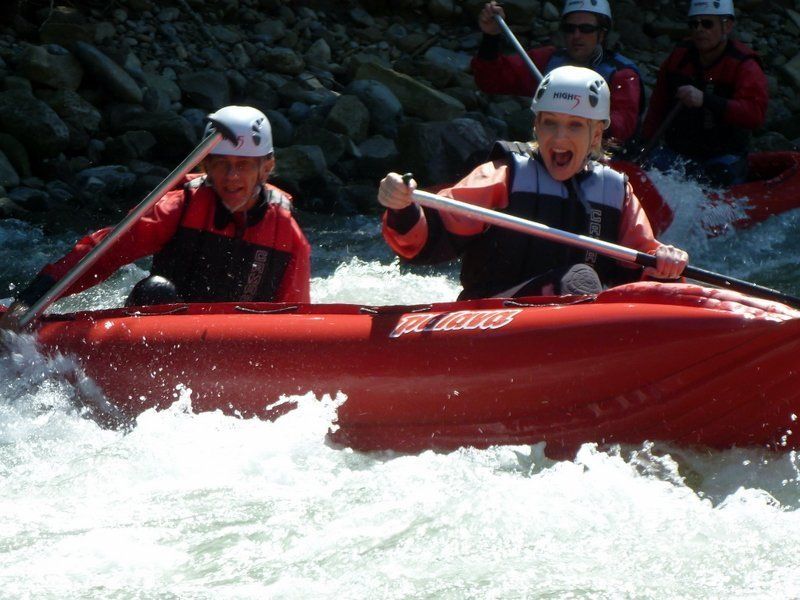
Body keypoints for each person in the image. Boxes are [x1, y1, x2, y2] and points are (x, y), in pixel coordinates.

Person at [377, 66, 688, 301]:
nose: (559, 137)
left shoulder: (616, 192)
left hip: (577, 318)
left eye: (574, 125)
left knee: (582, 282)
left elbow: (642, 267)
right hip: (491, 317)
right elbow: (429, 237)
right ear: (537, 126)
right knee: (579, 281)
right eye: (550, 123)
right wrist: (402, 208)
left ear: (596, 136)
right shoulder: (503, 176)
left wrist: (665, 266)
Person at [0, 105, 311, 331]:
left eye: (243, 165)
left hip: (244, 340)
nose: (231, 177)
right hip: (168, 335)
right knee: (155, 290)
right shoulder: (179, 208)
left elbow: (299, 313)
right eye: (221, 164)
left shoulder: (286, 232)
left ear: (266, 168)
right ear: (205, 167)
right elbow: (101, 254)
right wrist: (30, 301)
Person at [472, 0, 644, 145]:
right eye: (570, 28)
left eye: (586, 29)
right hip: (548, 148)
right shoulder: (549, 60)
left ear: (602, 35)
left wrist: (580, 121)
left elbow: (623, 126)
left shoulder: (622, 74)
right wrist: (491, 37)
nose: (576, 35)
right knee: (467, 127)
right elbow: (491, 80)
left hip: (598, 156)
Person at [641, 0, 767, 186]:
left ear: (727, 26)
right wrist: (644, 142)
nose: (699, 30)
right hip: (678, 152)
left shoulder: (744, 66)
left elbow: (754, 115)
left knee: (719, 178)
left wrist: (706, 100)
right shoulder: (679, 58)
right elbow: (658, 105)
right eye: (694, 24)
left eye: (707, 24)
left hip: (723, 156)